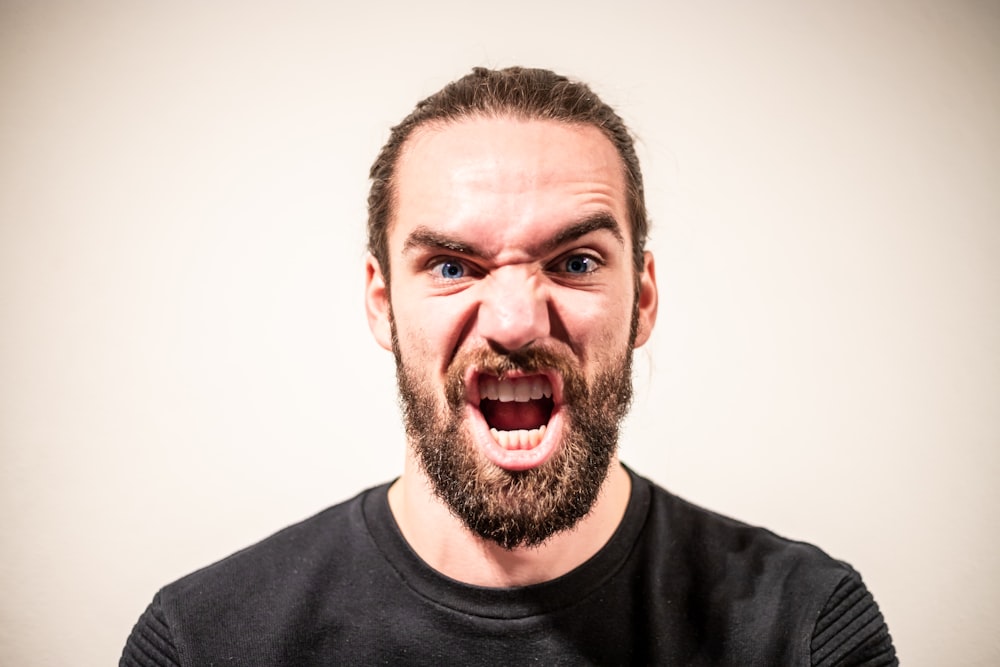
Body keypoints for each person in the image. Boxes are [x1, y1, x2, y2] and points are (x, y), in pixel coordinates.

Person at [121, 66, 897, 666]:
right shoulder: (203, 641)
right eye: (454, 266)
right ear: (382, 303)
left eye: (577, 260)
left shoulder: (806, 628)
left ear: (645, 298)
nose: (517, 321)